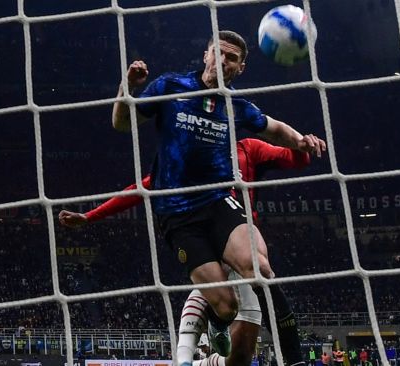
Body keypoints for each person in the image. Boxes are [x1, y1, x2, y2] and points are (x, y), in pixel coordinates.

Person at [110, 29, 325, 366]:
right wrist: (129, 86)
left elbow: (275, 128)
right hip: (178, 214)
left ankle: (295, 360)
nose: (224, 62)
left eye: (232, 58)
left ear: (241, 68)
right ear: (207, 55)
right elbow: (122, 123)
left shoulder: (236, 105)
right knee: (226, 305)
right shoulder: (170, 87)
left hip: (218, 202)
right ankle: (217, 322)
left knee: (261, 271)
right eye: (219, 54)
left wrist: (301, 141)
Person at [59, 138, 312, 366]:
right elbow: (141, 189)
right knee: (221, 293)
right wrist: (90, 216)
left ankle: (211, 341)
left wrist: (302, 145)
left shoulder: (247, 148)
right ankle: (197, 344)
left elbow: (295, 159)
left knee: (241, 356)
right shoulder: (187, 159)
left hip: (243, 237)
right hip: (209, 240)